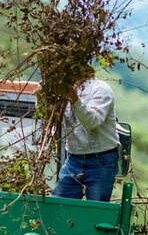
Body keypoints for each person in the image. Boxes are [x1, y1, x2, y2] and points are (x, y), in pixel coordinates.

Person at [50, 67, 119, 202]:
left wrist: (74, 98)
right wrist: (42, 98)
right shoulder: (60, 92)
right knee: (58, 205)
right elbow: (54, 123)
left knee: (96, 212)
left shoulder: (101, 89)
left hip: (101, 160)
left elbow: (93, 121)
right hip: (73, 159)